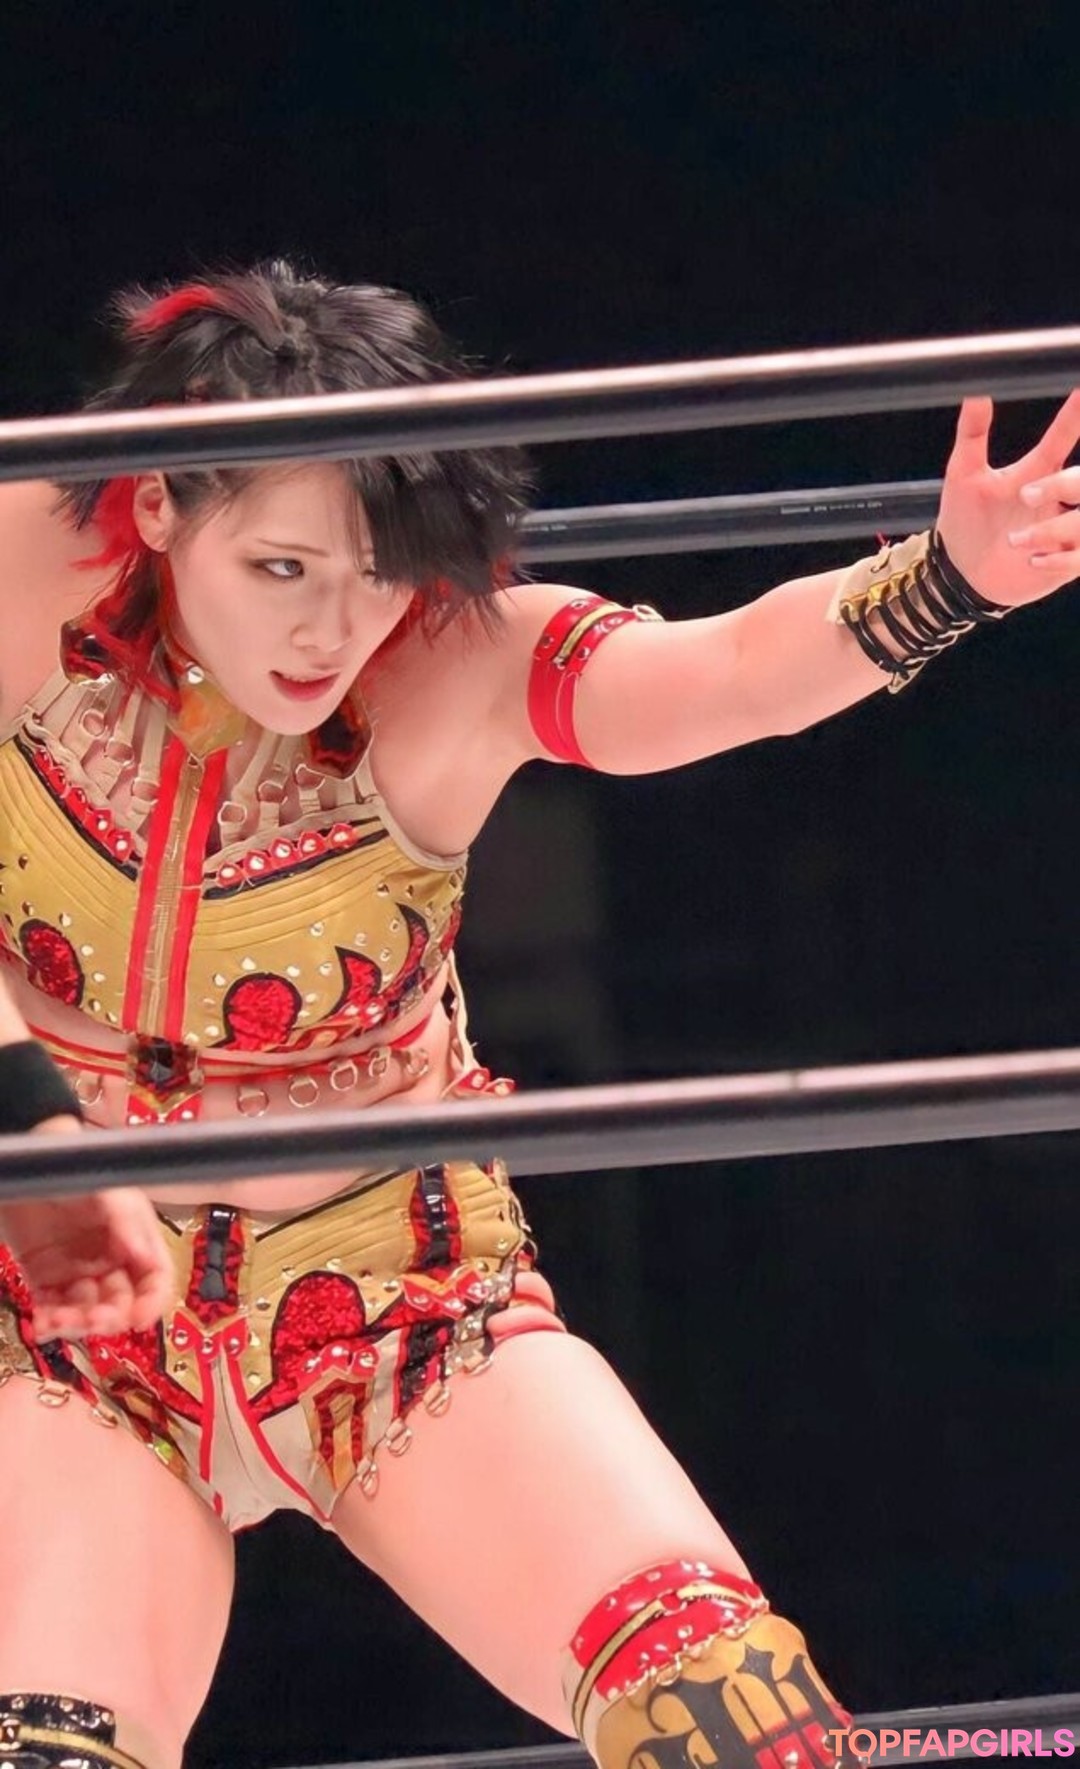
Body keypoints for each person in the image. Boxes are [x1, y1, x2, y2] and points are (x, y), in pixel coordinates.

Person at [0, 262, 1077, 1769]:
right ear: (164, 506)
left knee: (739, 1726)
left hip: (398, 1299)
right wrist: (32, 1130)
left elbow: (725, 670)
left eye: (378, 568)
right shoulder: (26, 571)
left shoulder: (461, 656)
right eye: (281, 567)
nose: (329, 628)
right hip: (67, 1323)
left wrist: (951, 576)